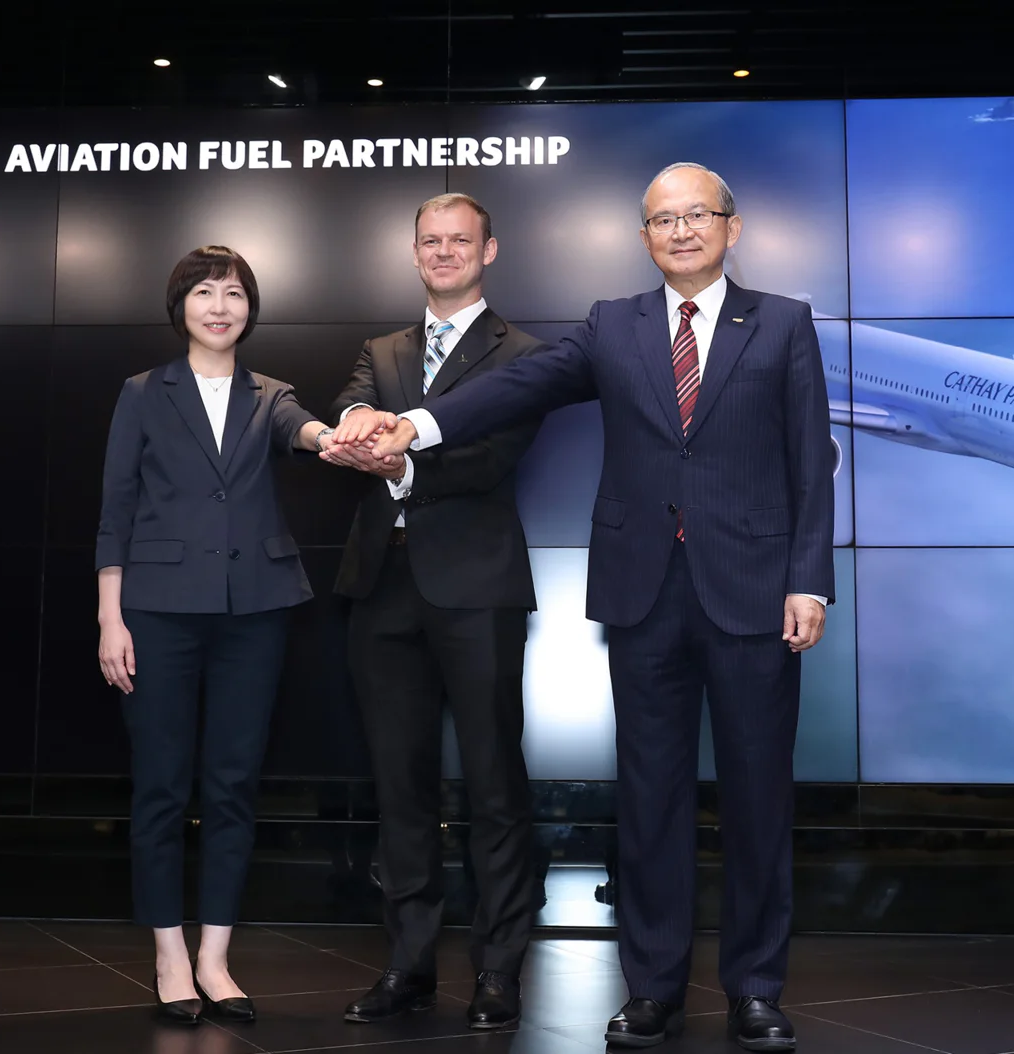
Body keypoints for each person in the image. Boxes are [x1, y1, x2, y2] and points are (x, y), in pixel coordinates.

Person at [347, 162, 835, 1052]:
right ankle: (650, 987)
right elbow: (512, 389)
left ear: (733, 226)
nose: (680, 231)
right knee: (650, 798)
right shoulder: (617, 325)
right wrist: (415, 424)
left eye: (697, 215)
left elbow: (813, 459)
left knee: (760, 799)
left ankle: (757, 988)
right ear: (644, 237)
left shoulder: (785, 323)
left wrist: (810, 579)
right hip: (643, 590)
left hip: (757, 595)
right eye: (662, 220)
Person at [319, 193, 544, 1029]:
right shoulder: (383, 348)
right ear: (415, 253)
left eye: (460, 240)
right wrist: (356, 429)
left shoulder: (521, 352)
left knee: (494, 786)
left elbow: (494, 456)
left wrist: (399, 466)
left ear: (490, 250)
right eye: (431, 241)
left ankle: (498, 974)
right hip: (383, 588)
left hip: (478, 591)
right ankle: (409, 967)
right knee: (400, 787)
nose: (444, 252)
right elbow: (350, 404)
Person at [96, 245, 334, 1027]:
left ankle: (215, 959)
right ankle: (169, 954)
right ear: (181, 307)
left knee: (233, 786)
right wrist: (111, 617)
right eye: (205, 292)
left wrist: (333, 438)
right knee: (162, 787)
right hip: (158, 611)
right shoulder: (142, 393)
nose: (220, 306)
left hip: (255, 612)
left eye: (233, 293)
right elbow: (115, 511)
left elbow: (303, 431)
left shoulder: (272, 393)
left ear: (249, 308)